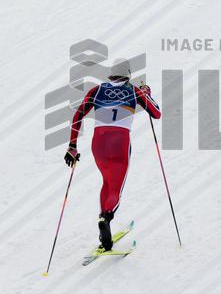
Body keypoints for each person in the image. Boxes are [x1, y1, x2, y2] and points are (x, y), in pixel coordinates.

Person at [64, 59, 161, 250]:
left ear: (111, 74)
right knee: (116, 187)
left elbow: (77, 116)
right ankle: (106, 217)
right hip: (119, 141)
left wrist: (72, 145)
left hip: (98, 142)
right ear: (128, 75)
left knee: (106, 181)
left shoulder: (97, 90)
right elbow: (156, 113)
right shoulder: (134, 90)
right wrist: (147, 93)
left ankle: (104, 226)